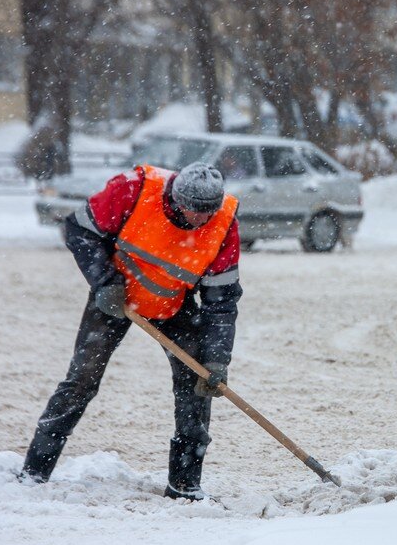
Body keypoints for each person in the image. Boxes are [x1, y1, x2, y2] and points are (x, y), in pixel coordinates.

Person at [19, 162, 242, 501]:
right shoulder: (133, 190)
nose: (199, 220)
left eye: (206, 214)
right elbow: (78, 229)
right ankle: (35, 470)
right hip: (115, 296)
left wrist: (216, 360)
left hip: (175, 305)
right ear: (176, 197)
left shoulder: (224, 224)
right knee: (82, 379)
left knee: (196, 386)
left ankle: (184, 484)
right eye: (193, 210)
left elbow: (221, 301)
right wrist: (104, 282)